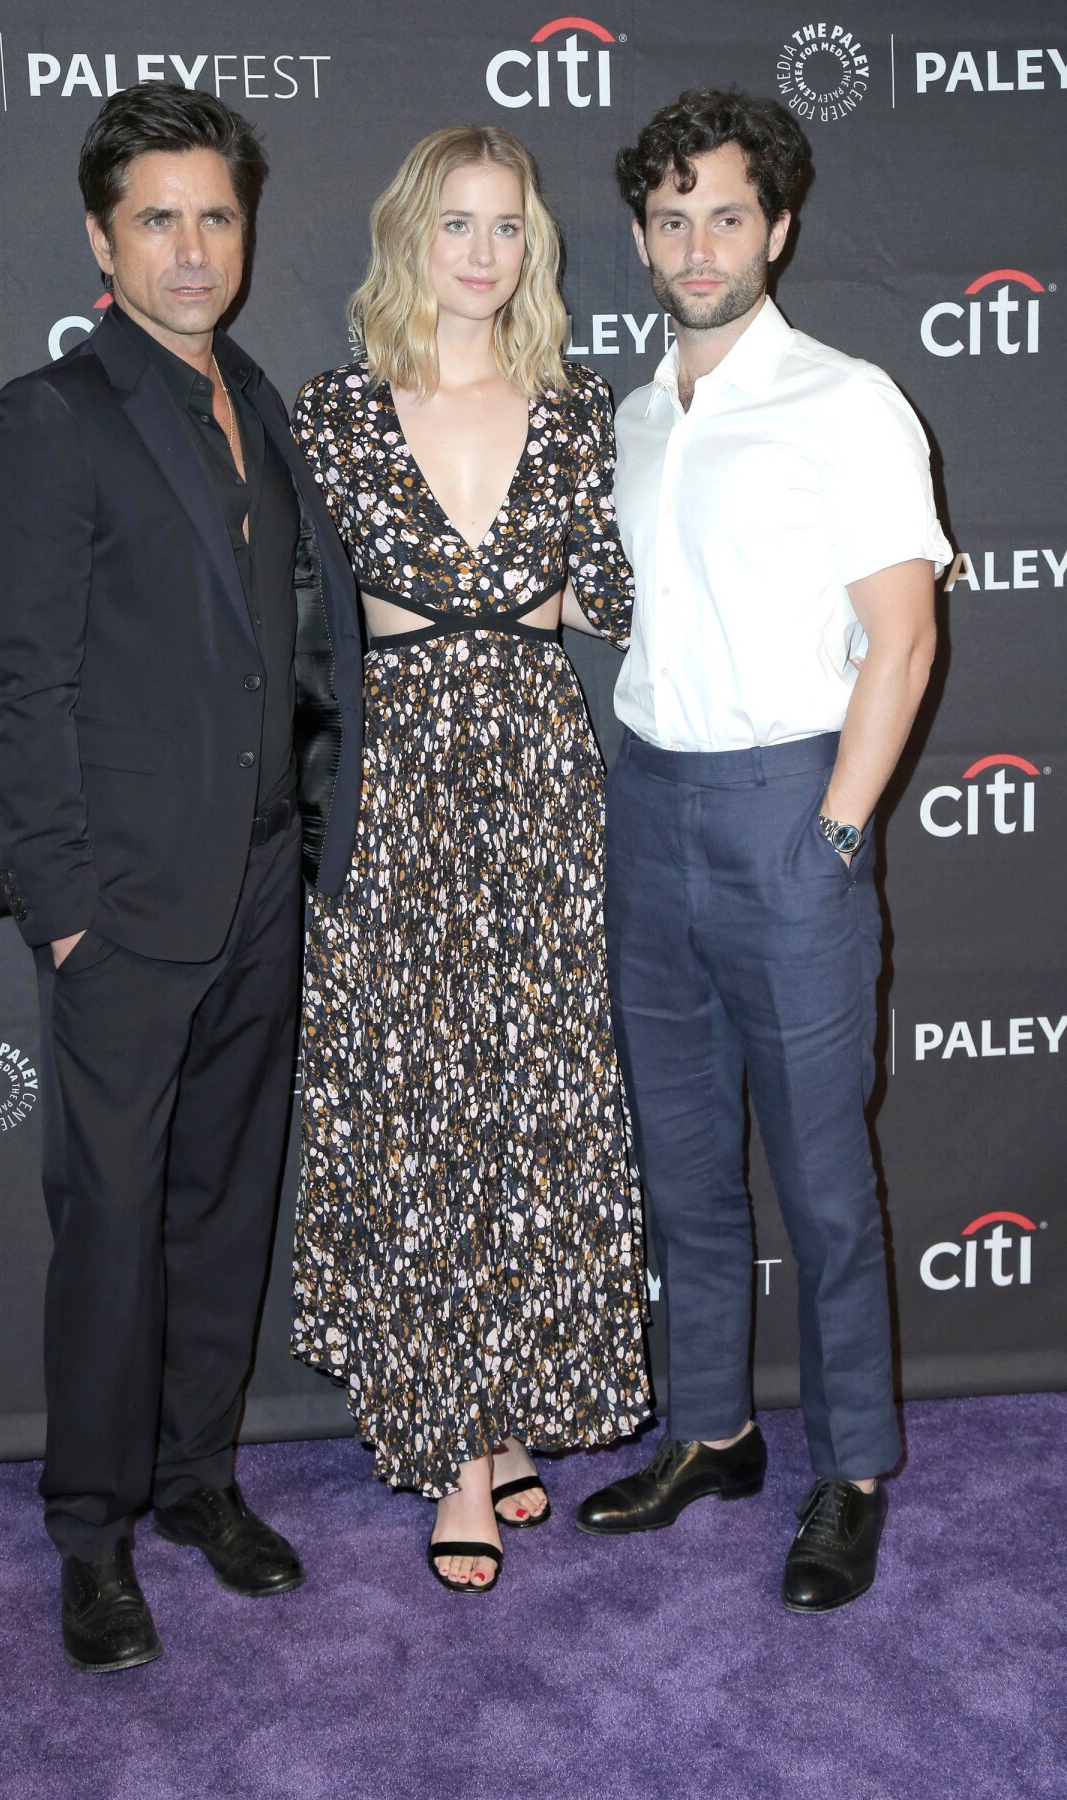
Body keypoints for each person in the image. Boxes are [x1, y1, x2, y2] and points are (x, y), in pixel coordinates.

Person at [0, 83, 362, 1672]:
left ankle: (200, 1482)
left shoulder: (261, 403)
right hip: (122, 911)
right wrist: (63, 905)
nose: (193, 250)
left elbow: (303, 648)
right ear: (100, 238)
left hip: (265, 885)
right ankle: (90, 1532)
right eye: (158, 219)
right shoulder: (49, 418)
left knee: (220, 1211)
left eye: (215, 216)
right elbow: (24, 686)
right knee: (114, 1223)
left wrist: (316, 841)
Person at [575, 90, 951, 1612]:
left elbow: (905, 638)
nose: (696, 243)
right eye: (670, 220)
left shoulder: (848, 400)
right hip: (650, 806)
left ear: (777, 228)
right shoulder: (638, 410)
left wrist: (837, 832)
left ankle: (851, 1467)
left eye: (725, 214)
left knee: (820, 1176)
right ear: (643, 239)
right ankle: (711, 1433)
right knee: (682, 1167)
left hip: (791, 811)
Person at [290, 125, 652, 1595]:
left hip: (540, 777)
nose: (484, 251)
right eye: (459, 223)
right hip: (397, 786)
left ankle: (499, 1414)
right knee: (423, 1106)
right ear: (408, 238)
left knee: (529, 1099)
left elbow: (621, 595)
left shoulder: (576, 412)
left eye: (508, 226)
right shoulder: (334, 411)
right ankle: (450, 1448)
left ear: (535, 248)